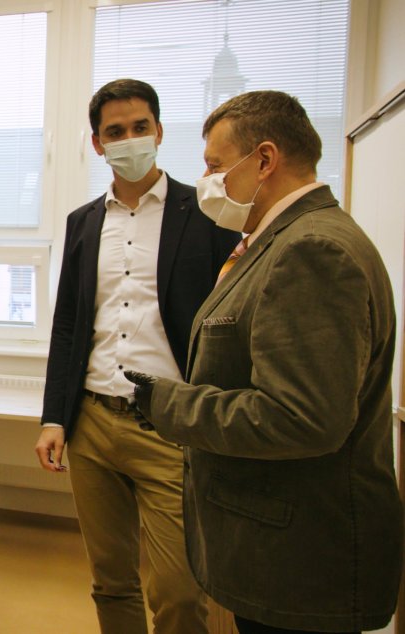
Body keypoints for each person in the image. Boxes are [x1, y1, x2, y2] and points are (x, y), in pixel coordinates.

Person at [125, 90, 403, 634]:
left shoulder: (311, 249)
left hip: (300, 557)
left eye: (215, 166)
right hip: (281, 546)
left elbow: (302, 417)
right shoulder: (279, 240)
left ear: (265, 159)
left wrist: (170, 404)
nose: (207, 181)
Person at [34, 79, 241, 634]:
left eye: (139, 127)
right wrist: (54, 417)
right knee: (111, 581)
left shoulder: (206, 213)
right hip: (92, 423)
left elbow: (232, 317)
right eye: (115, 131)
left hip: (170, 426)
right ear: (98, 143)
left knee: (180, 592)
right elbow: (69, 324)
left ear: (159, 131)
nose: (129, 139)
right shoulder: (83, 222)